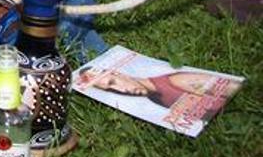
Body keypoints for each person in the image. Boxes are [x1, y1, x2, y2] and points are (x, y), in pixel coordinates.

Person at [75, 67, 242, 121]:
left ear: (118, 73)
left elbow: (233, 88)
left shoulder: (176, 81)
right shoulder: (155, 97)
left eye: (113, 82)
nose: (122, 90)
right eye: (110, 89)